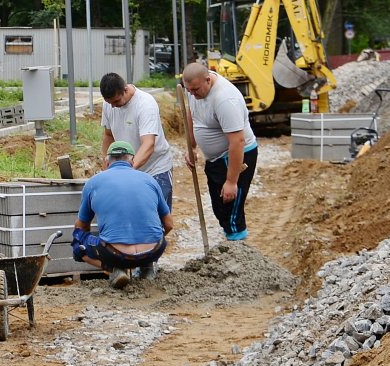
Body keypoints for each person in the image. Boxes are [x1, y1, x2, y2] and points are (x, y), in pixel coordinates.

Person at [72, 140, 174, 288]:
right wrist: (149, 238)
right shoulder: (150, 180)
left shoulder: (93, 183)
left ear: (106, 162)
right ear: (132, 161)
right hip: (154, 250)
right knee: (153, 235)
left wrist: (93, 241)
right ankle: (147, 267)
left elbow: (81, 226)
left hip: (116, 254)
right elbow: (169, 224)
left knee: (78, 242)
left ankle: (114, 269)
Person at [181, 60, 258, 242]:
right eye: (188, 90)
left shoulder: (225, 99)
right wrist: (191, 146)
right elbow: (192, 114)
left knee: (230, 208)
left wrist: (232, 181)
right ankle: (232, 245)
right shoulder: (195, 89)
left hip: (235, 155)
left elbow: (237, 141)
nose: (192, 94)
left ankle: (239, 252)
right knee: (219, 206)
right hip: (216, 159)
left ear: (208, 80)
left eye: (195, 90)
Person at [98, 72, 174, 208]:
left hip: (155, 168)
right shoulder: (108, 105)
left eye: (116, 101)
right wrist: (107, 164)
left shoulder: (145, 104)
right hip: (129, 170)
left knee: (157, 218)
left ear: (125, 90)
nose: (113, 106)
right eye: (109, 103)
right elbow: (108, 136)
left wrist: (127, 169)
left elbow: (148, 144)